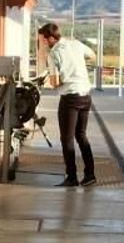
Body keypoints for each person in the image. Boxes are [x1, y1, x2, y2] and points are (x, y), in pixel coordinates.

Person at [37, 22, 96, 187]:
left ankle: (72, 177)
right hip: (85, 96)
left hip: (70, 99)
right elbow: (92, 55)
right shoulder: (75, 44)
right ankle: (90, 174)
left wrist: (60, 78)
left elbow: (55, 82)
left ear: (50, 38)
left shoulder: (54, 53)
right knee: (81, 136)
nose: (43, 43)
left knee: (67, 139)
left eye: (43, 40)